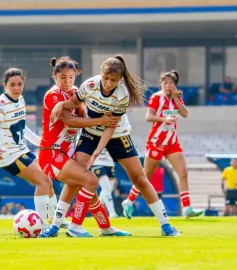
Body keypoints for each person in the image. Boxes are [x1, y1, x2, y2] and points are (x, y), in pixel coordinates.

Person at [50, 54, 179, 236]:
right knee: (77, 177)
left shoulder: (122, 95)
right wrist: (62, 104)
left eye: (113, 80)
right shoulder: (90, 84)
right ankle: (55, 225)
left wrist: (96, 153)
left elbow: (110, 127)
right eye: (106, 78)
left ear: (120, 79)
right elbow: (76, 101)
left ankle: (166, 225)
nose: (109, 83)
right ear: (100, 74)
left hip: (117, 135)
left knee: (140, 178)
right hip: (91, 133)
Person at [38, 56, 130, 238]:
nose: (67, 81)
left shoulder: (75, 92)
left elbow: (82, 113)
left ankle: (103, 228)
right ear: (54, 77)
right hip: (51, 153)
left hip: (68, 152)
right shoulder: (53, 95)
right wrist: (101, 120)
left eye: (71, 77)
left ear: (76, 76)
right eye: (63, 77)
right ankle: (74, 227)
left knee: (86, 191)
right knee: (91, 182)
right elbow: (70, 121)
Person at [123, 70, 203, 219]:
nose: (167, 86)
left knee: (183, 173)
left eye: (171, 83)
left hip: (172, 142)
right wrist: (163, 119)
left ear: (175, 85)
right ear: (161, 84)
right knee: (145, 176)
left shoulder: (177, 98)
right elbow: (148, 117)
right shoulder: (156, 97)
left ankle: (187, 209)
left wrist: (176, 98)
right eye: (165, 83)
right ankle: (128, 202)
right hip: (156, 142)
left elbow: (185, 114)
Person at [0, 68, 52, 225]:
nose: (17, 88)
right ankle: (41, 225)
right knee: (43, 181)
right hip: (9, 155)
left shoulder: (20, 100)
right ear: (4, 85)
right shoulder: (0, 105)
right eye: (12, 85)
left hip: (21, 150)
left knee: (49, 181)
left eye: (20, 84)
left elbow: (22, 127)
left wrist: (41, 143)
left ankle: (55, 222)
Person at [90, 149, 119, 218]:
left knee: (108, 190)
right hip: (97, 162)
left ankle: (95, 210)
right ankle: (112, 213)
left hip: (110, 162)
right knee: (106, 188)